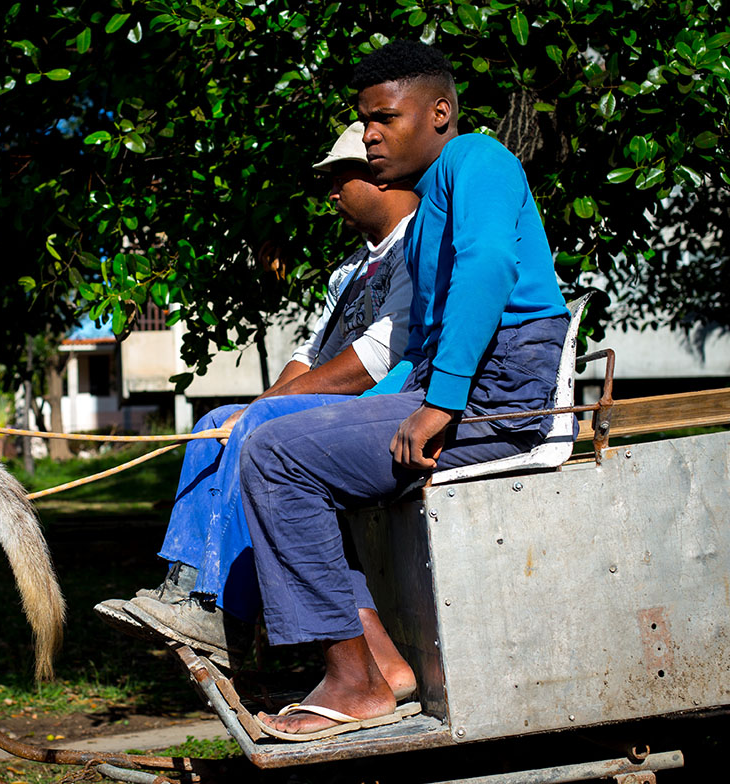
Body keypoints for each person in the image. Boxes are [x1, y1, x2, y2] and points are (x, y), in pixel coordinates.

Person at [241, 40, 572, 741]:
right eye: (364, 121)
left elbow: (489, 267)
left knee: (276, 458)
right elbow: (419, 349)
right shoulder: (424, 218)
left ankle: (356, 679)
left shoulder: (476, 158)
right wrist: (346, 416)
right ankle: (370, 666)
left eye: (385, 118)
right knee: (280, 440)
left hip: (500, 398)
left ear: (440, 112)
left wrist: (443, 402)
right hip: (451, 387)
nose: (368, 135)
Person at [95, 123, 419, 696]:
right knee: (212, 424)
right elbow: (307, 356)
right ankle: (188, 588)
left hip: (387, 410)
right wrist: (250, 410)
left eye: (338, 178)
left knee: (261, 425)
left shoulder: (418, 245)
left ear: (376, 175)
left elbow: (377, 358)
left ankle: (223, 617)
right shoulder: (348, 271)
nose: (330, 193)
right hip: (330, 413)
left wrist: (264, 415)